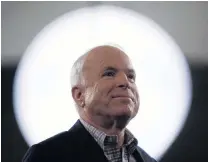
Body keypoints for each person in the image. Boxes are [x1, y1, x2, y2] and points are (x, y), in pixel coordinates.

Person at [22, 45, 157, 162]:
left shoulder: (148, 160)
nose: (125, 82)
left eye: (131, 77)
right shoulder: (46, 156)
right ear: (79, 95)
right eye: (109, 74)